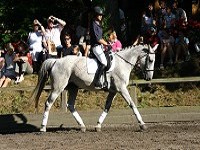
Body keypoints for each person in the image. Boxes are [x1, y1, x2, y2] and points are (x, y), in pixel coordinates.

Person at [90, 6, 110, 88]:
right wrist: (107, 44)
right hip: (95, 47)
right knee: (104, 62)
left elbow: (101, 38)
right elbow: (98, 39)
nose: (101, 16)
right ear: (95, 15)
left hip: (100, 46)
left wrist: (106, 43)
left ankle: (105, 80)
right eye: (99, 15)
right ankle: (97, 81)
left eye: (101, 15)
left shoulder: (98, 25)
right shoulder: (94, 24)